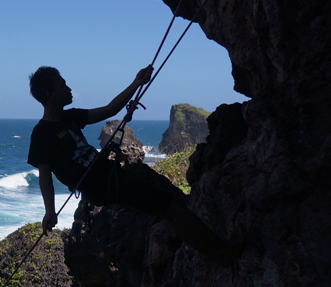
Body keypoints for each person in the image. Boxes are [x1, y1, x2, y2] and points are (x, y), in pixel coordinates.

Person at [26, 65, 241, 266]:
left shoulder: (70, 117)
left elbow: (110, 110)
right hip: (102, 183)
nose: (69, 88)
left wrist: (137, 82)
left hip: (106, 178)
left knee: (167, 209)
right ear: (50, 94)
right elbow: (44, 175)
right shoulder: (41, 133)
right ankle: (222, 252)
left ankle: (215, 254)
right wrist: (50, 211)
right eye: (62, 84)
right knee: (172, 204)